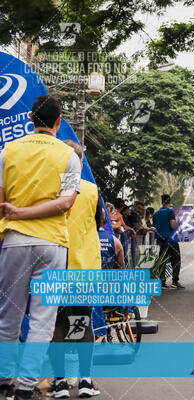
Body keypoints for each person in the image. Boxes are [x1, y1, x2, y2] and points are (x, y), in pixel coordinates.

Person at [0, 95, 80, 400]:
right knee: (42, 320)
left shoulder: (7, 152)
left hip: (14, 242)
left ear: (31, 119)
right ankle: (25, 388)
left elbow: (1, 202)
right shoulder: (69, 156)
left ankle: (4, 381)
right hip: (53, 245)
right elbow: (66, 201)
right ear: (59, 122)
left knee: (8, 317)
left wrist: (17, 215)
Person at [47, 140, 102, 399]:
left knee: (54, 323)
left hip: (54, 267)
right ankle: (85, 381)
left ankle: (59, 383)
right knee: (83, 321)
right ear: (80, 164)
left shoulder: (48, 189)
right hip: (85, 268)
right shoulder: (91, 190)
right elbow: (99, 222)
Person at [153, 194, 184, 289]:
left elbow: (155, 226)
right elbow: (172, 226)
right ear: (169, 202)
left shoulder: (156, 213)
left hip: (160, 240)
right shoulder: (170, 212)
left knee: (162, 260)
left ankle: (162, 282)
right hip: (170, 240)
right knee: (176, 260)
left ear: (162, 202)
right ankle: (175, 281)